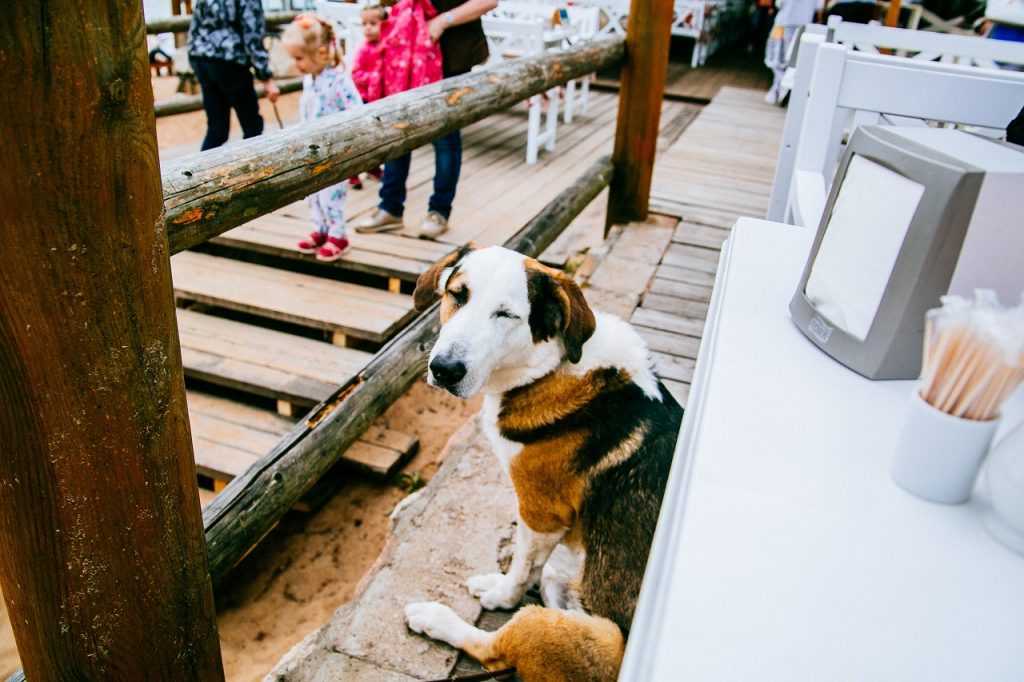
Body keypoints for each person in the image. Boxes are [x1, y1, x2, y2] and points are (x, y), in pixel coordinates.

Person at [354, 0, 498, 240]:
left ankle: (439, 211)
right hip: (404, 51)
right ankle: (390, 208)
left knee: (445, 138)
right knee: (398, 129)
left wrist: (443, 21)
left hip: (452, 54)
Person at [282, 13, 366, 261]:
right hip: (311, 152)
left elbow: (356, 110)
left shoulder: (339, 81)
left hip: (335, 153)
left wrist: (352, 143)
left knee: (332, 196)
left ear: (319, 53)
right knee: (314, 196)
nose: (296, 65)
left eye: (299, 58)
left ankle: (338, 235)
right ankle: (320, 229)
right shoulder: (311, 80)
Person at [187, 0, 281, 151]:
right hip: (230, 61)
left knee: (217, 129)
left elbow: (195, 23)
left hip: (201, 57)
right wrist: (265, 77)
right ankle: (253, 169)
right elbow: (252, 33)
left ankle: (201, 171)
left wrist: (194, 56)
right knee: (252, 126)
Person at [348, 4, 391, 190]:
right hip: (364, 100)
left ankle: (373, 166)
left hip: (382, 100)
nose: (367, 27)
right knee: (360, 138)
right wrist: (373, 77)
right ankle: (352, 173)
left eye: (373, 23)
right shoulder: (364, 49)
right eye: (364, 23)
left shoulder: (388, 46)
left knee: (378, 137)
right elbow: (356, 74)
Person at [763, 0, 823, 105]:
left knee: (777, 59)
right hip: (804, 25)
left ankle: (780, 87)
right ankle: (781, 88)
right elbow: (819, 6)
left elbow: (779, 3)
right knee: (794, 60)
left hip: (784, 22)